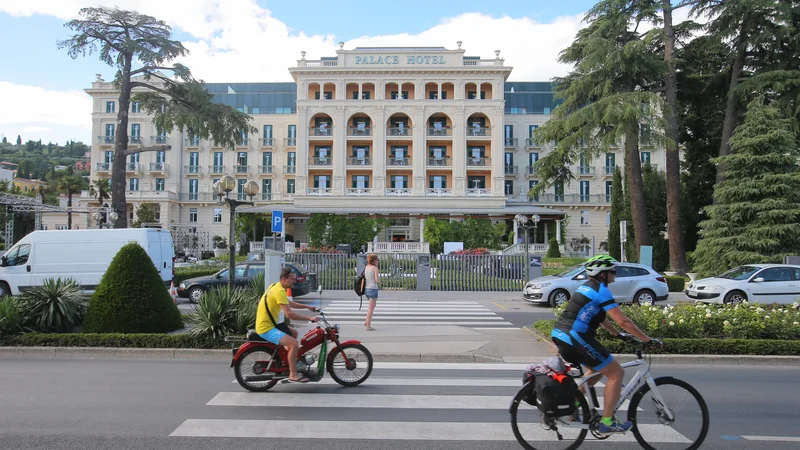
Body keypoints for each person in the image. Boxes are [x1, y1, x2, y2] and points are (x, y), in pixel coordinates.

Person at [550, 255, 660, 433]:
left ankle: (572, 405)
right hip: (574, 336)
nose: (615, 274)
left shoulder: (588, 287)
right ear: (603, 274)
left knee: (597, 370)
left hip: (563, 335)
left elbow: (601, 318)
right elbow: (623, 321)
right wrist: (648, 339)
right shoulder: (600, 290)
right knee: (616, 373)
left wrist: (618, 335)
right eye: (612, 271)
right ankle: (607, 422)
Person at [255, 267, 318, 383]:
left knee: (294, 333)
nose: (295, 281)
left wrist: (307, 307)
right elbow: (289, 314)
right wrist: (309, 318)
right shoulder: (279, 291)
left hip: (272, 324)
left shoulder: (276, 286)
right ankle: (293, 374)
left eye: (295, 279)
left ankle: (287, 360)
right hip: (266, 328)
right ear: (284, 279)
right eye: (292, 279)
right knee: (294, 344)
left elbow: (288, 303)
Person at [363, 253, 380, 331]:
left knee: (372, 306)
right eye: (377, 260)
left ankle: (366, 322)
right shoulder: (374, 268)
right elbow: (377, 280)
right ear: (374, 260)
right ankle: (368, 326)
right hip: (373, 289)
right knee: (371, 308)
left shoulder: (367, 267)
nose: (378, 262)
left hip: (367, 289)